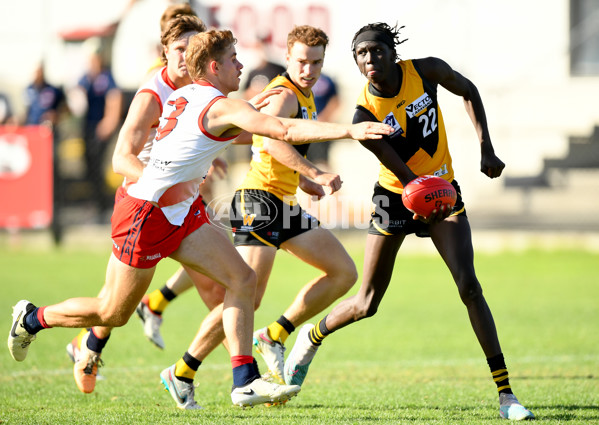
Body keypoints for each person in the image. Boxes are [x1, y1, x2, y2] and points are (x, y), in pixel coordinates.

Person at [8, 28, 392, 408]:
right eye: (233, 60)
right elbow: (282, 128)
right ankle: (32, 318)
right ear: (214, 66)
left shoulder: (191, 94)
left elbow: (243, 132)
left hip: (182, 211)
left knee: (242, 279)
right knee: (113, 311)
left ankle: (244, 380)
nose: (241, 66)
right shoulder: (221, 104)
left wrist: (253, 113)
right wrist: (349, 130)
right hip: (147, 214)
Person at [283, 23, 535, 421]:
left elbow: (468, 90)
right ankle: (312, 336)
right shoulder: (365, 114)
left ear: (392, 53)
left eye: (376, 51)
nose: (369, 60)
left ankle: (506, 395)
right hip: (396, 196)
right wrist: (420, 200)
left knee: (469, 287)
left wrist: (486, 147)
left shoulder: (426, 72)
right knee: (367, 302)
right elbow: (404, 176)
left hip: (441, 189)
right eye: (361, 54)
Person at [62, 16, 231, 398]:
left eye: (195, 48)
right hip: (145, 204)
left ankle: (241, 373)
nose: (188, 56)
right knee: (116, 306)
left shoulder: (196, 84)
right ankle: (62, 329)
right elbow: (122, 158)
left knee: (226, 285)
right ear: (165, 50)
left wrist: (208, 154)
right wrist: (165, 184)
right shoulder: (153, 91)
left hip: (178, 201)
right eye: (180, 49)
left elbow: (195, 132)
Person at [229, 25, 357, 386]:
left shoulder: (306, 95)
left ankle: (275, 335)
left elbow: (259, 141)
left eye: (316, 62)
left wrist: (301, 180)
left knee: (343, 273)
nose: (309, 70)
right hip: (259, 201)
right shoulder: (284, 95)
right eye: (301, 61)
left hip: (283, 203)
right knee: (245, 297)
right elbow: (270, 143)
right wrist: (314, 172)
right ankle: (184, 370)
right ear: (288, 58)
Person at [76, 45, 123, 216]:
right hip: (87, 128)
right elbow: (76, 96)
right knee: (88, 165)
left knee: (99, 165)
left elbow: (114, 98)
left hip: (100, 130)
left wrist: (109, 122)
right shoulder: (86, 78)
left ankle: (101, 204)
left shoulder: (106, 77)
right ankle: (94, 201)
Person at [307, 72, 341, 164]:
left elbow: (335, 101)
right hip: (302, 127)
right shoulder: (295, 79)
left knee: (322, 162)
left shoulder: (326, 79)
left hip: (321, 127)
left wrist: (323, 117)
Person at [242, 36, 286, 101]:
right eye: (257, 47)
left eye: (261, 47)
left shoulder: (278, 69)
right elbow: (245, 93)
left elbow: (284, 90)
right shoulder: (252, 72)